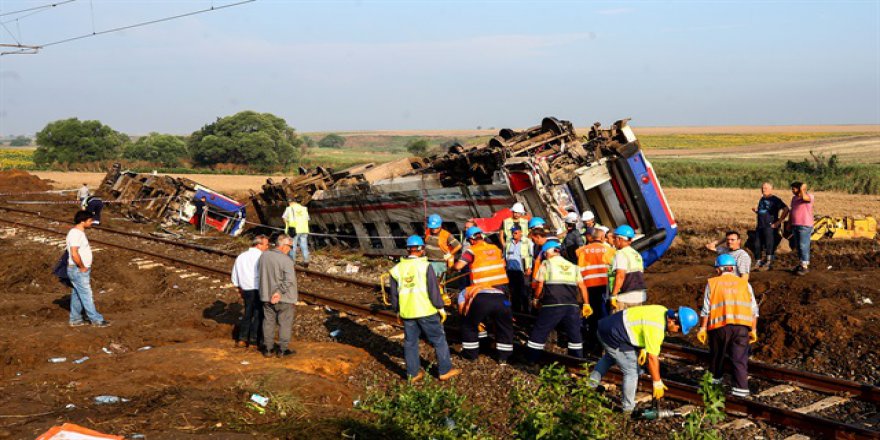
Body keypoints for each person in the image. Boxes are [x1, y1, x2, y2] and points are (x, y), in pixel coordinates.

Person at [588, 305, 698, 414]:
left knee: (609, 358)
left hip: (607, 326)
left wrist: (644, 348)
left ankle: (589, 386)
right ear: (672, 321)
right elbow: (652, 358)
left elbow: (642, 324)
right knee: (632, 371)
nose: (678, 332)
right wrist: (657, 382)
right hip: (613, 335)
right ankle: (628, 410)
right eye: (679, 329)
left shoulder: (662, 310)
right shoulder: (657, 328)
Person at [390, 236, 460, 382]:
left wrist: (397, 311)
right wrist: (440, 307)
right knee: (439, 340)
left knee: (410, 343)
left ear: (408, 249)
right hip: (426, 310)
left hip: (407, 312)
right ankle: (445, 371)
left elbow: (394, 295)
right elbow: (433, 290)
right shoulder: (425, 266)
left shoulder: (396, 270)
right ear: (421, 249)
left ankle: (413, 374)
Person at [696, 254, 759, 398]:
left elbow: (706, 310)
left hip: (720, 327)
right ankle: (741, 391)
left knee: (717, 357)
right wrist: (753, 330)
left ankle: (713, 388)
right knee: (739, 359)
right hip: (742, 328)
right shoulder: (745, 284)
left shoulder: (713, 283)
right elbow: (754, 311)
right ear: (733, 268)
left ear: (718, 269)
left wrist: (702, 328)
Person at [526, 241, 591, 362]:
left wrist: (536, 299)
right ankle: (577, 361)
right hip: (572, 305)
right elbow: (582, 286)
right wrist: (586, 304)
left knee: (539, 331)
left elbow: (540, 285)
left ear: (547, 252)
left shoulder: (546, 264)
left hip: (552, 304)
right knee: (575, 335)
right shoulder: (573, 266)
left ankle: (532, 359)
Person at [66, 210, 110, 327]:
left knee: (77, 295)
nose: (91, 223)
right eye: (90, 221)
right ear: (82, 221)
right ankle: (96, 320)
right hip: (78, 270)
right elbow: (74, 253)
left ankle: (75, 319)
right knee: (86, 295)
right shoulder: (75, 234)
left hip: (78, 269)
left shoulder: (79, 233)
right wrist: (82, 267)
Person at [259, 234, 298, 358]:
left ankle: (268, 349)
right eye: (290, 246)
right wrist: (279, 292)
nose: (290, 249)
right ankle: (282, 350)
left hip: (266, 296)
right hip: (283, 297)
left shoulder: (264, 256)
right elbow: (289, 280)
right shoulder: (286, 260)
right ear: (283, 246)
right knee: (284, 324)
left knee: (268, 322)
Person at [457, 283, 515, 364]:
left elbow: (461, 310)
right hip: (503, 300)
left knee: (469, 326)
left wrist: (469, 319)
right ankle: (503, 357)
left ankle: (470, 355)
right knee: (505, 328)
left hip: (482, 300)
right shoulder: (493, 287)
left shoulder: (465, 291)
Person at [232, 234, 270, 348]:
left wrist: (239, 287)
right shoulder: (262, 257)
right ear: (258, 245)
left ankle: (242, 338)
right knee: (258, 314)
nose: (267, 247)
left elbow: (235, 274)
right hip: (258, 288)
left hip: (246, 289)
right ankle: (254, 339)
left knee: (248, 313)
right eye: (266, 244)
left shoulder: (241, 256)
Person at [577, 228, 611, 350]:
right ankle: (603, 342)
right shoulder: (609, 250)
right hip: (604, 286)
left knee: (591, 314)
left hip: (588, 286)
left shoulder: (581, 250)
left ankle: (592, 341)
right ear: (602, 238)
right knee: (604, 313)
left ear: (591, 237)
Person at [752, 182, 789, 271]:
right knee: (757, 244)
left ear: (771, 189)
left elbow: (786, 209)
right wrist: (756, 211)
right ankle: (758, 262)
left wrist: (779, 222)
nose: (763, 190)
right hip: (760, 225)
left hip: (770, 226)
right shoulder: (762, 199)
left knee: (769, 244)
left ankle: (769, 263)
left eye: (765, 188)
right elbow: (765, 212)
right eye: (762, 188)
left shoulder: (775, 199)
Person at [609, 225, 647, 310]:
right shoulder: (637, 254)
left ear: (619, 239)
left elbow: (620, 276)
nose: (614, 241)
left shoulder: (621, 253)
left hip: (625, 297)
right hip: (640, 296)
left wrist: (613, 295)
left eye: (615, 238)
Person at [424, 214, 462, 282]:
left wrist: (450, 254)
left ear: (440, 225)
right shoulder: (427, 232)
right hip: (428, 261)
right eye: (432, 228)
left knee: (439, 283)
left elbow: (458, 246)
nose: (434, 229)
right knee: (428, 282)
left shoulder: (446, 235)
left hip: (439, 263)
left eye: (436, 228)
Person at [504, 225, 533, 313]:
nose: (514, 234)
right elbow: (505, 255)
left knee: (524, 292)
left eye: (515, 232)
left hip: (522, 271)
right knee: (513, 292)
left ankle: (527, 311)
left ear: (521, 232)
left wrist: (529, 267)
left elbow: (531, 255)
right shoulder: (508, 242)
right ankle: (516, 311)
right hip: (511, 271)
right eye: (512, 232)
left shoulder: (527, 241)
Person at [788, 181, 814, 275]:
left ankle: (805, 266)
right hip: (795, 225)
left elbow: (805, 198)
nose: (792, 191)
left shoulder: (809, 196)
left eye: (794, 189)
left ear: (799, 189)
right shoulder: (794, 198)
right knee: (798, 246)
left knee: (803, 245)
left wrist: (802, 189)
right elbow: (792, 211)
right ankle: (801, 264)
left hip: (805, 225)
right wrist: (789, 222)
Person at [281, 199, 311, 267]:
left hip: (293, 230)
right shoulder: (304, 208)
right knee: (304, 246)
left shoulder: (289, 208)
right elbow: (308, 219)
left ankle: (292, 262)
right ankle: (306, 261)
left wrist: (287, 225)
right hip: (304, 230)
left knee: (292, 246)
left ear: (290, 202)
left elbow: (284, 218)